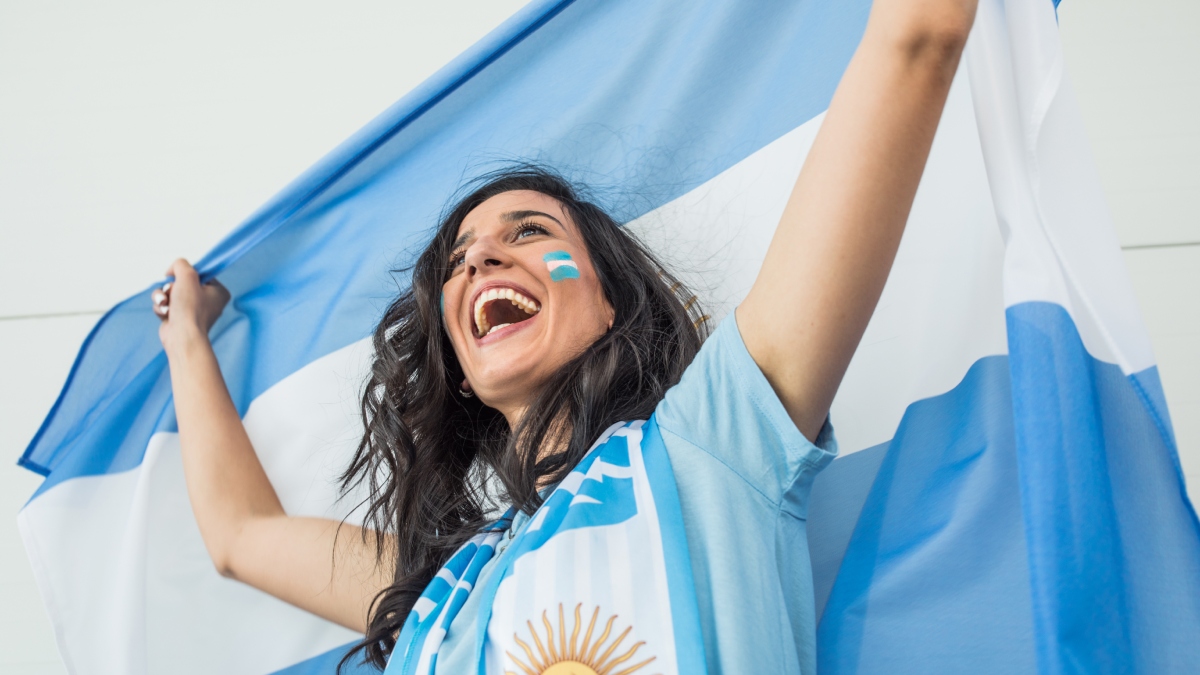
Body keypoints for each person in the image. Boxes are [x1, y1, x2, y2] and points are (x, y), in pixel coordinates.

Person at [152, 0, 978, 671]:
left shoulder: (716, 441)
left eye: (530, 232)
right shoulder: (441, 591)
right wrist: (187, 337)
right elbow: (240, 536)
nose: (480, 261)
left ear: (610, 301)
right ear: (463, 370)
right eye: (458, 262)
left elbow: (918, 40)